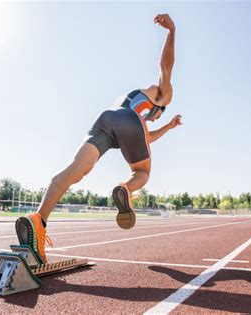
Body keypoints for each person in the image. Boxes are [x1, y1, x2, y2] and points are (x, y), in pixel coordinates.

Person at [15, 14, 182, 263]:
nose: (156, 118)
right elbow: (165, 68)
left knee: (76, 170)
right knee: (143, 173)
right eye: (159, 116)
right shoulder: (161, 96)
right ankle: (125, 188)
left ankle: (38, 220)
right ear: (160, 105)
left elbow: (145, 138)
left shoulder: (135, 102)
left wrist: (167, 127)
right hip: (128, 124)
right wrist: (172, 32)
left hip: (106, 119)